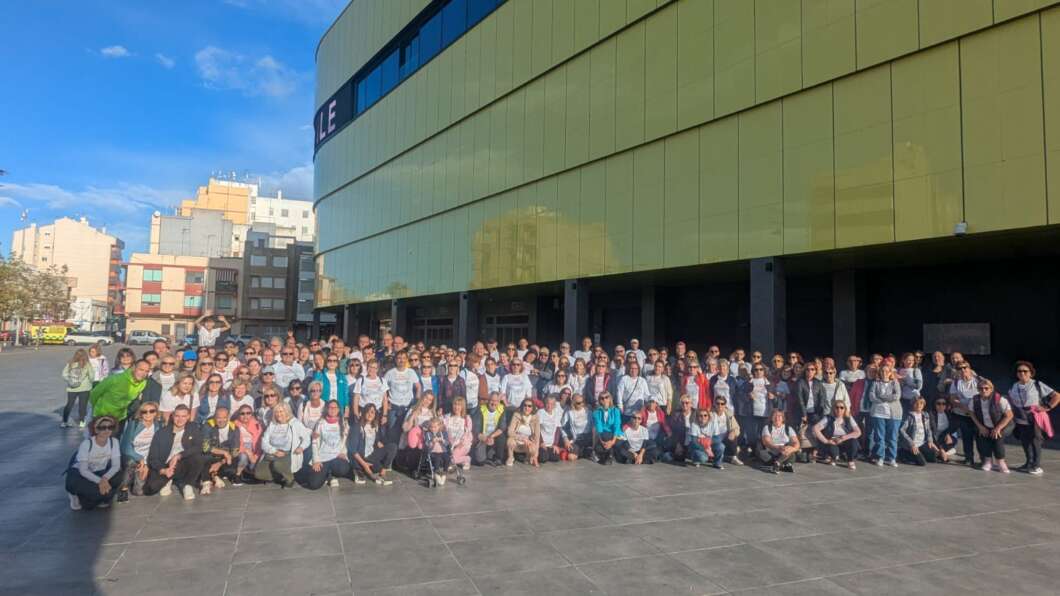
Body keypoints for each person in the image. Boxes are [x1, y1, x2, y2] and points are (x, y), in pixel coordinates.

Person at [144, 405, 206, 500]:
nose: (180, 419)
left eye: (183, 416)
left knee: (198, 457)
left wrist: (179, 455)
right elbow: (152, 457)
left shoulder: (192, 428)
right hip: (166, 466)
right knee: (151, 489)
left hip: (183, 463)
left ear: (188, 417)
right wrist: (163, 470)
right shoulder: (161, 433)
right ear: (172, 416)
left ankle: (187, 485)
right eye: (177, 416)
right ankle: (170, 479)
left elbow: (198, 446)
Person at [1008, 361, 1058, 475]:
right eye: (1019, 371)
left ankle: (1036, 465)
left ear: (1031, 373)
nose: (1022, 373)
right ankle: (1028, 462)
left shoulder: (1037, 384)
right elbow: (1011, 399)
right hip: (1021, 415)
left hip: (1034, 416)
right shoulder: (1014, 386)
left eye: (1025, 371)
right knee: (1025, 440)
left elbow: (1056, 396)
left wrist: (1047, 407)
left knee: (1035, 440)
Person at [66, 415, 121, 510]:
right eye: (102, 428)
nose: (107, 430)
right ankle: (74, 494)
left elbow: (116, 465)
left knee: (119, 477)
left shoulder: (114, 442)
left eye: (110, 427)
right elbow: (83, 470)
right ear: (96, 429)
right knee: (87, 499)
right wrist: (101, 481)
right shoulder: (87, 444)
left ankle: (95, 497)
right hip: (81, 474)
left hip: (101, 472)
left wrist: (104, 478)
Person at [255, 403, 311, 487]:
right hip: (273, 453)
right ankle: (279, 475)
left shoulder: (295, 423)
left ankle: (289, 478)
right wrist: (274, 451)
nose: (278, 414)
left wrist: (301, 447)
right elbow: (264, 442)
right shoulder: (272, 424)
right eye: (276, 412)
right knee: (259, 473)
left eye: (281, 411)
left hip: (288, 453)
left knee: (278, 464)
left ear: (287, 412)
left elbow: (306, 438)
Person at [88, 359, 151, 430]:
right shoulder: (115, 379)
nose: (143, 373)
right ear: (134, 368)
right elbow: (94, 394)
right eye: (141, 369)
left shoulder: (143, 383)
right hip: (102, 416)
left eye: (146, 371)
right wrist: (97, 408)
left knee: (116, 441)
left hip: (120, 418)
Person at [117, 402, 161, 502]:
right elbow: (125, 447)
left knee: (139, 492)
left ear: (156, 413)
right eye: (144, 412)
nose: (148, 414)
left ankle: (135, 479)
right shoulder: (134, 424)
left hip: (147, 458)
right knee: (131, 463)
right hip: (132, 456)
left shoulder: (158, 425)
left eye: (152, 411)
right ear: (140, 413)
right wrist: (140, 459)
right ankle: (123, 489)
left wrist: (146, 464)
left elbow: (157, 447)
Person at [970, 378, 1014, 473]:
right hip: (985, 425)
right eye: (981, 388)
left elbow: (1009, 415)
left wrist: (998, 428)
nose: (984, 390)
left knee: (997, 438)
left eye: (986, 388)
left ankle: (1001, 462)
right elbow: (971, 413)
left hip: (1002, 425)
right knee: (983, 437)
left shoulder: (1000, 399)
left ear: (991, 389)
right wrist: (980, 427)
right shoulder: (975, 400)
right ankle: (988, 461)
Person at [306, 400, 352, 489]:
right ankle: (326, 475)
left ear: (339, 409)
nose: (333, 409)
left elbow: (345, 441)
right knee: (313, 485)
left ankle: (332, 475)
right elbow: (315, 443)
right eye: (330, 407)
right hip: (322, 458)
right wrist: (316, 460)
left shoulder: (344, 423)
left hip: (336, 457)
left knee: (343, 468)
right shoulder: (320, 423)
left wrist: (343, 452)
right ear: (326, 409)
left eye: (335, 408)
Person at [349, 404, 395, 484]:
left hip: (371, 456)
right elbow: (353, 450)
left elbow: (376, 440)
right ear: (363, 413)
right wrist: (365, 466)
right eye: (368, 412)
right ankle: (360, 470)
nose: (370, 414)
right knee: (370, 470)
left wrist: (379, 444)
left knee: (392, 447)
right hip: (361, 457)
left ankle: (382, 473)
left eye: (372, 412)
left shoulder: (375, 426)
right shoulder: (357, 426)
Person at [947, 361, 980, 467]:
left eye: (965, 367)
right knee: (966, 437)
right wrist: (964, 407)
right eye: (960, 368)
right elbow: (952, 399)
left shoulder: (978, 380)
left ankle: (984, 459)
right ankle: (969, 458)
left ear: (969, 368)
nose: (963, 370)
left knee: (980, 438)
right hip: (962, 414)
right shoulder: (956, 382)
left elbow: (987, 393)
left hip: (977, 415)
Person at [201, 405, 240, 494]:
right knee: (203, 458)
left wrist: (220, 462)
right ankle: (207, 482)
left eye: (224, 417)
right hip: (212, 455)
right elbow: (205, 447)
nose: (221, 420)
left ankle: (214, 475)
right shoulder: (208, 426)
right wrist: (224, 452)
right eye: (218, 417)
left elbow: (235, 452)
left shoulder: (234, 428)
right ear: (215, 417)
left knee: (232, 469)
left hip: (224, 459)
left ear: (228, 417)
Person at [870, 364, 903, 467]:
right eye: (882, 371)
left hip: (894, 414)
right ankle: (880, 457)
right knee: (880, 437)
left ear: (890, 373)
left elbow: (897, 396)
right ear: (880, 372)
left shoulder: (895, 383)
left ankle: (892, 458)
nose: (884, 373)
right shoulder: (876, 383)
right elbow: (871, 396)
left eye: (887, 371)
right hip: (878, 413)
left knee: (892, 437)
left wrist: (881, 397)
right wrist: (885, 398)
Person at [813, 402, 861, 469]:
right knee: (834, 454)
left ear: (845, 409)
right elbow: (815, 428)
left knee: (854, 442)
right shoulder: (828, 418)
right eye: (837, 407)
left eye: (841, 407)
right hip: (833, 441)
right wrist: (826, 441)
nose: (839, 409)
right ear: (833, 409)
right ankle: (834, 457)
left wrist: (843, 438)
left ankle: (850, 461)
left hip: (844, 440)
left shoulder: (848, 418)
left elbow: (858, 432)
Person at [898, 397, 937, 466]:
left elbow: (928, 429)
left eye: (921, 403)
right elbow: (901, 430)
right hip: (912, 444)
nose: (919, 405)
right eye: (916, 403)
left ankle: (920, 453)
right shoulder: (909, 416)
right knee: (922, 463)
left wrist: (930, 440)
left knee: (933, 457)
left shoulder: (925, 415)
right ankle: (903, 453)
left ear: (924, 405)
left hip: (921, 443)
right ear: (913, 404)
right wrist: (911, 444)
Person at [759, 409, 800, 474]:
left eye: (779, 416)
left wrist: (791, 448)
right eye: (774, 415)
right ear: (771, 418)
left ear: (783, 418)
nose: (777, 418)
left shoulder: (788, 428)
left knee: (791, 454)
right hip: (771, 452)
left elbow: (796, 442)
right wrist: (778, 448)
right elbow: (767, 442)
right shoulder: (767, 428)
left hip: (785, 452)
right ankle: (783, 465)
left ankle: (777, 463)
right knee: (763, 455)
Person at [705, 396, 741, 468]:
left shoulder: (729, 414)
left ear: (725, 405)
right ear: (714, 404)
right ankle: (720, 457)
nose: (720, 406)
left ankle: (733, 457)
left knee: (733, 434)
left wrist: (733, 432)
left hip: (725, 436)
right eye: (717, 403)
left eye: (722, 404)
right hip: (713, 437)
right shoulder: (709, 413)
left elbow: (737, 428)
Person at [472, 392, 507, 466]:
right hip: (482, 437)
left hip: (494, 437)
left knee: (502, 437)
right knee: (480, 462)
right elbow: (476, 429)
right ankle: (487, 455)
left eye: (496, 401)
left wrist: (491, 436)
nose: (494, 403)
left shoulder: (502, 409)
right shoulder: (481, 409)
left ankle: (498, 458)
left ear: (499, 401)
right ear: (488, 400)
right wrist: (485, 438)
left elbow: (502, 427)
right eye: (492, 400)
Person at [62, 349, 94, 428]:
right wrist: (91, 382)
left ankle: (64, 422)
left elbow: (64, 374)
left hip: (72, 388)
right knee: (82, 405)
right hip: (85, 388)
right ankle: (82, 422)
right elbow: (91, 376)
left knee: (69, 404)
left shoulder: (70, 363)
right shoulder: (87, 364)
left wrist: (70, 380)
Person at [232, 405, 263, 483]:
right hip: (239, 448)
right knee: (243, 457)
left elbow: (259, 442)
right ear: (239, 415)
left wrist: (256, 455)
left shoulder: (257, 424)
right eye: (242, 413)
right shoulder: (234, 424)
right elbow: (235, 443)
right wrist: (247, 451)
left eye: (248, 413)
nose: (245, 416)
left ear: (251, 414)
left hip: (254, 447)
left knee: (256, 462)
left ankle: (249, 473)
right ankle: (237, 475)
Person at [506, 398, 541, 467]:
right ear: (522, 406)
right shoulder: (516, 415)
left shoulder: (536, 418)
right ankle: (511, 457)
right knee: (510, 441)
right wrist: (522, 438)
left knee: (533, 447)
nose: (527, 407)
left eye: (529, 406)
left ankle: (528, 457)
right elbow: (510, 432)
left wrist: (535, 456)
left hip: (527, 444)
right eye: (525, 405)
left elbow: (537, 437)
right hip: (516, 441)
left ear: (532, 408)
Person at [591, 392, 623, 464]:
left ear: (610, 398)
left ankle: (610, 455)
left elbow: (616, 426)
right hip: (604, 437)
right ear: (600, 400)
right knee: (600, 445)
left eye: (606, 397)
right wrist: (602, 441)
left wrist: (612, 441)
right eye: (602, 398)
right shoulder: (596, 412)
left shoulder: (616, 411)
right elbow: (599, 429)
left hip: (615, 435)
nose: (604, 399)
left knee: (618, 445)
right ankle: (610, 455)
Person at [444, 397, 474, 470]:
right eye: (455, 404)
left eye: (459, 405)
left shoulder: (467, 419)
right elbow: (442, 428)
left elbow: (468, 434)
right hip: (450, 444)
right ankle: (459, 461)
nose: (456, 407)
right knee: (445, 459)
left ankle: (466, 459)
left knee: (452, 459)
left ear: (462, 407)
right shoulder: (447, 417)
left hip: (462, 444)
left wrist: (461, 442)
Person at [561, 393, 592, 461]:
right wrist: (565, 439)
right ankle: (581, 452)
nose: (581, 404)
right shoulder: (569, 413)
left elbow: (594, 427)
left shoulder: (588, 412)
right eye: (578, 403)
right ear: (573, 403)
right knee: (571, 457)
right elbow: (562, 427)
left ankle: (583, 451)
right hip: (577, 439)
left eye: (582, 402)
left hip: (588, 438)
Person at [423, 417, 453, 485]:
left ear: (439, 426)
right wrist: (432, 442)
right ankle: (436, 474)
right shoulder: (428, 434)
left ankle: (444, 473)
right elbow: (427, 444)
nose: (433, 429)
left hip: (442, 451)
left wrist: (442, 440)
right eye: (431, 427)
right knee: (437, 459)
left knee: (447, 458)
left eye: (435, 427)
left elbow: (447, 443)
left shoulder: (442, 433)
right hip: (433, 452)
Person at [535, 393, 564, 463]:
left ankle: (552, 451)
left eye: (552, 404)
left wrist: (555, 444)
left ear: (554, 405)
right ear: (545, 403)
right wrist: (541, 442)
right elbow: (537, 428)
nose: (549, 406)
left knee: (556, 458)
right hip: (541, 443)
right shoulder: (541, 412)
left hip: (551, 444)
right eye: (548, 403)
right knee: (543, 459)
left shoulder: (556, 413)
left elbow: (557, 429)